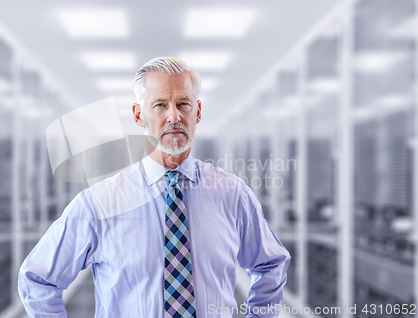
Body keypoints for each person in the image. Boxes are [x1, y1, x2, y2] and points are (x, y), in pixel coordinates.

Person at [18, 57, 291, 318]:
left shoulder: (233, 195)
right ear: (139, 115)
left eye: (184, 103)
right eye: (160, 105)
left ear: (198, 111)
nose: (174, 116)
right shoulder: (99, 203)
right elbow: (38, 279)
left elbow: (270, 264)